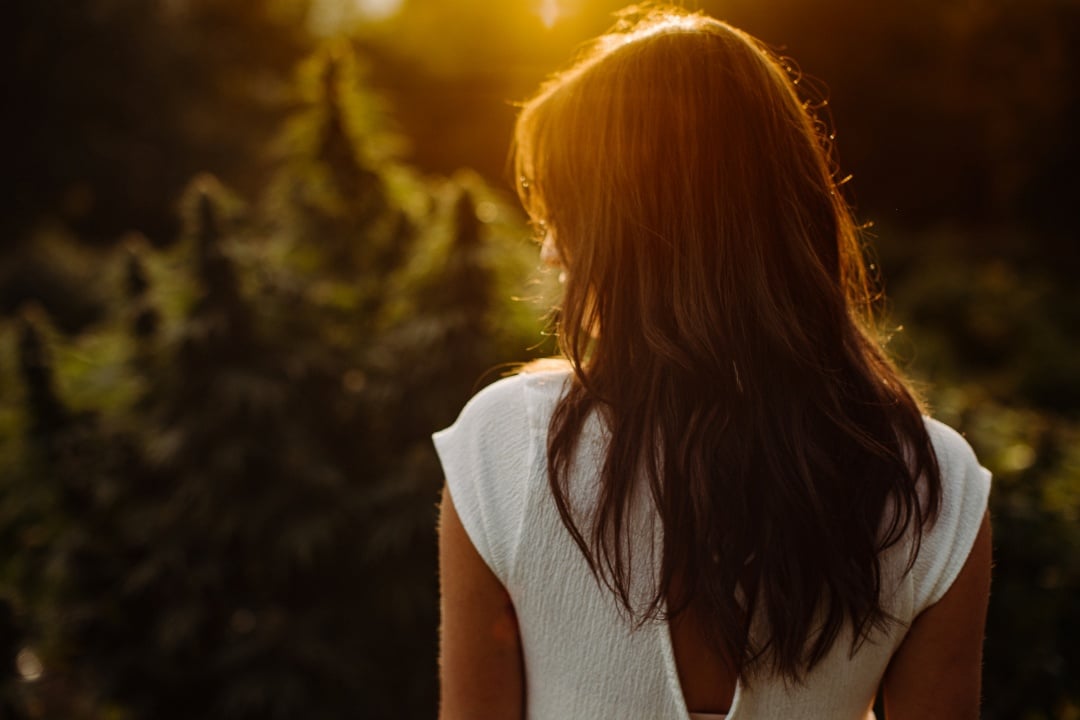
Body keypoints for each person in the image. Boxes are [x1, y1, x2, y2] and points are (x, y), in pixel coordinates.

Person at [434, 7, 992, 720]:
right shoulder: (934, 488)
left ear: (634, 231)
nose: (549, 251)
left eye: (565, 214)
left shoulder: (503, 450)